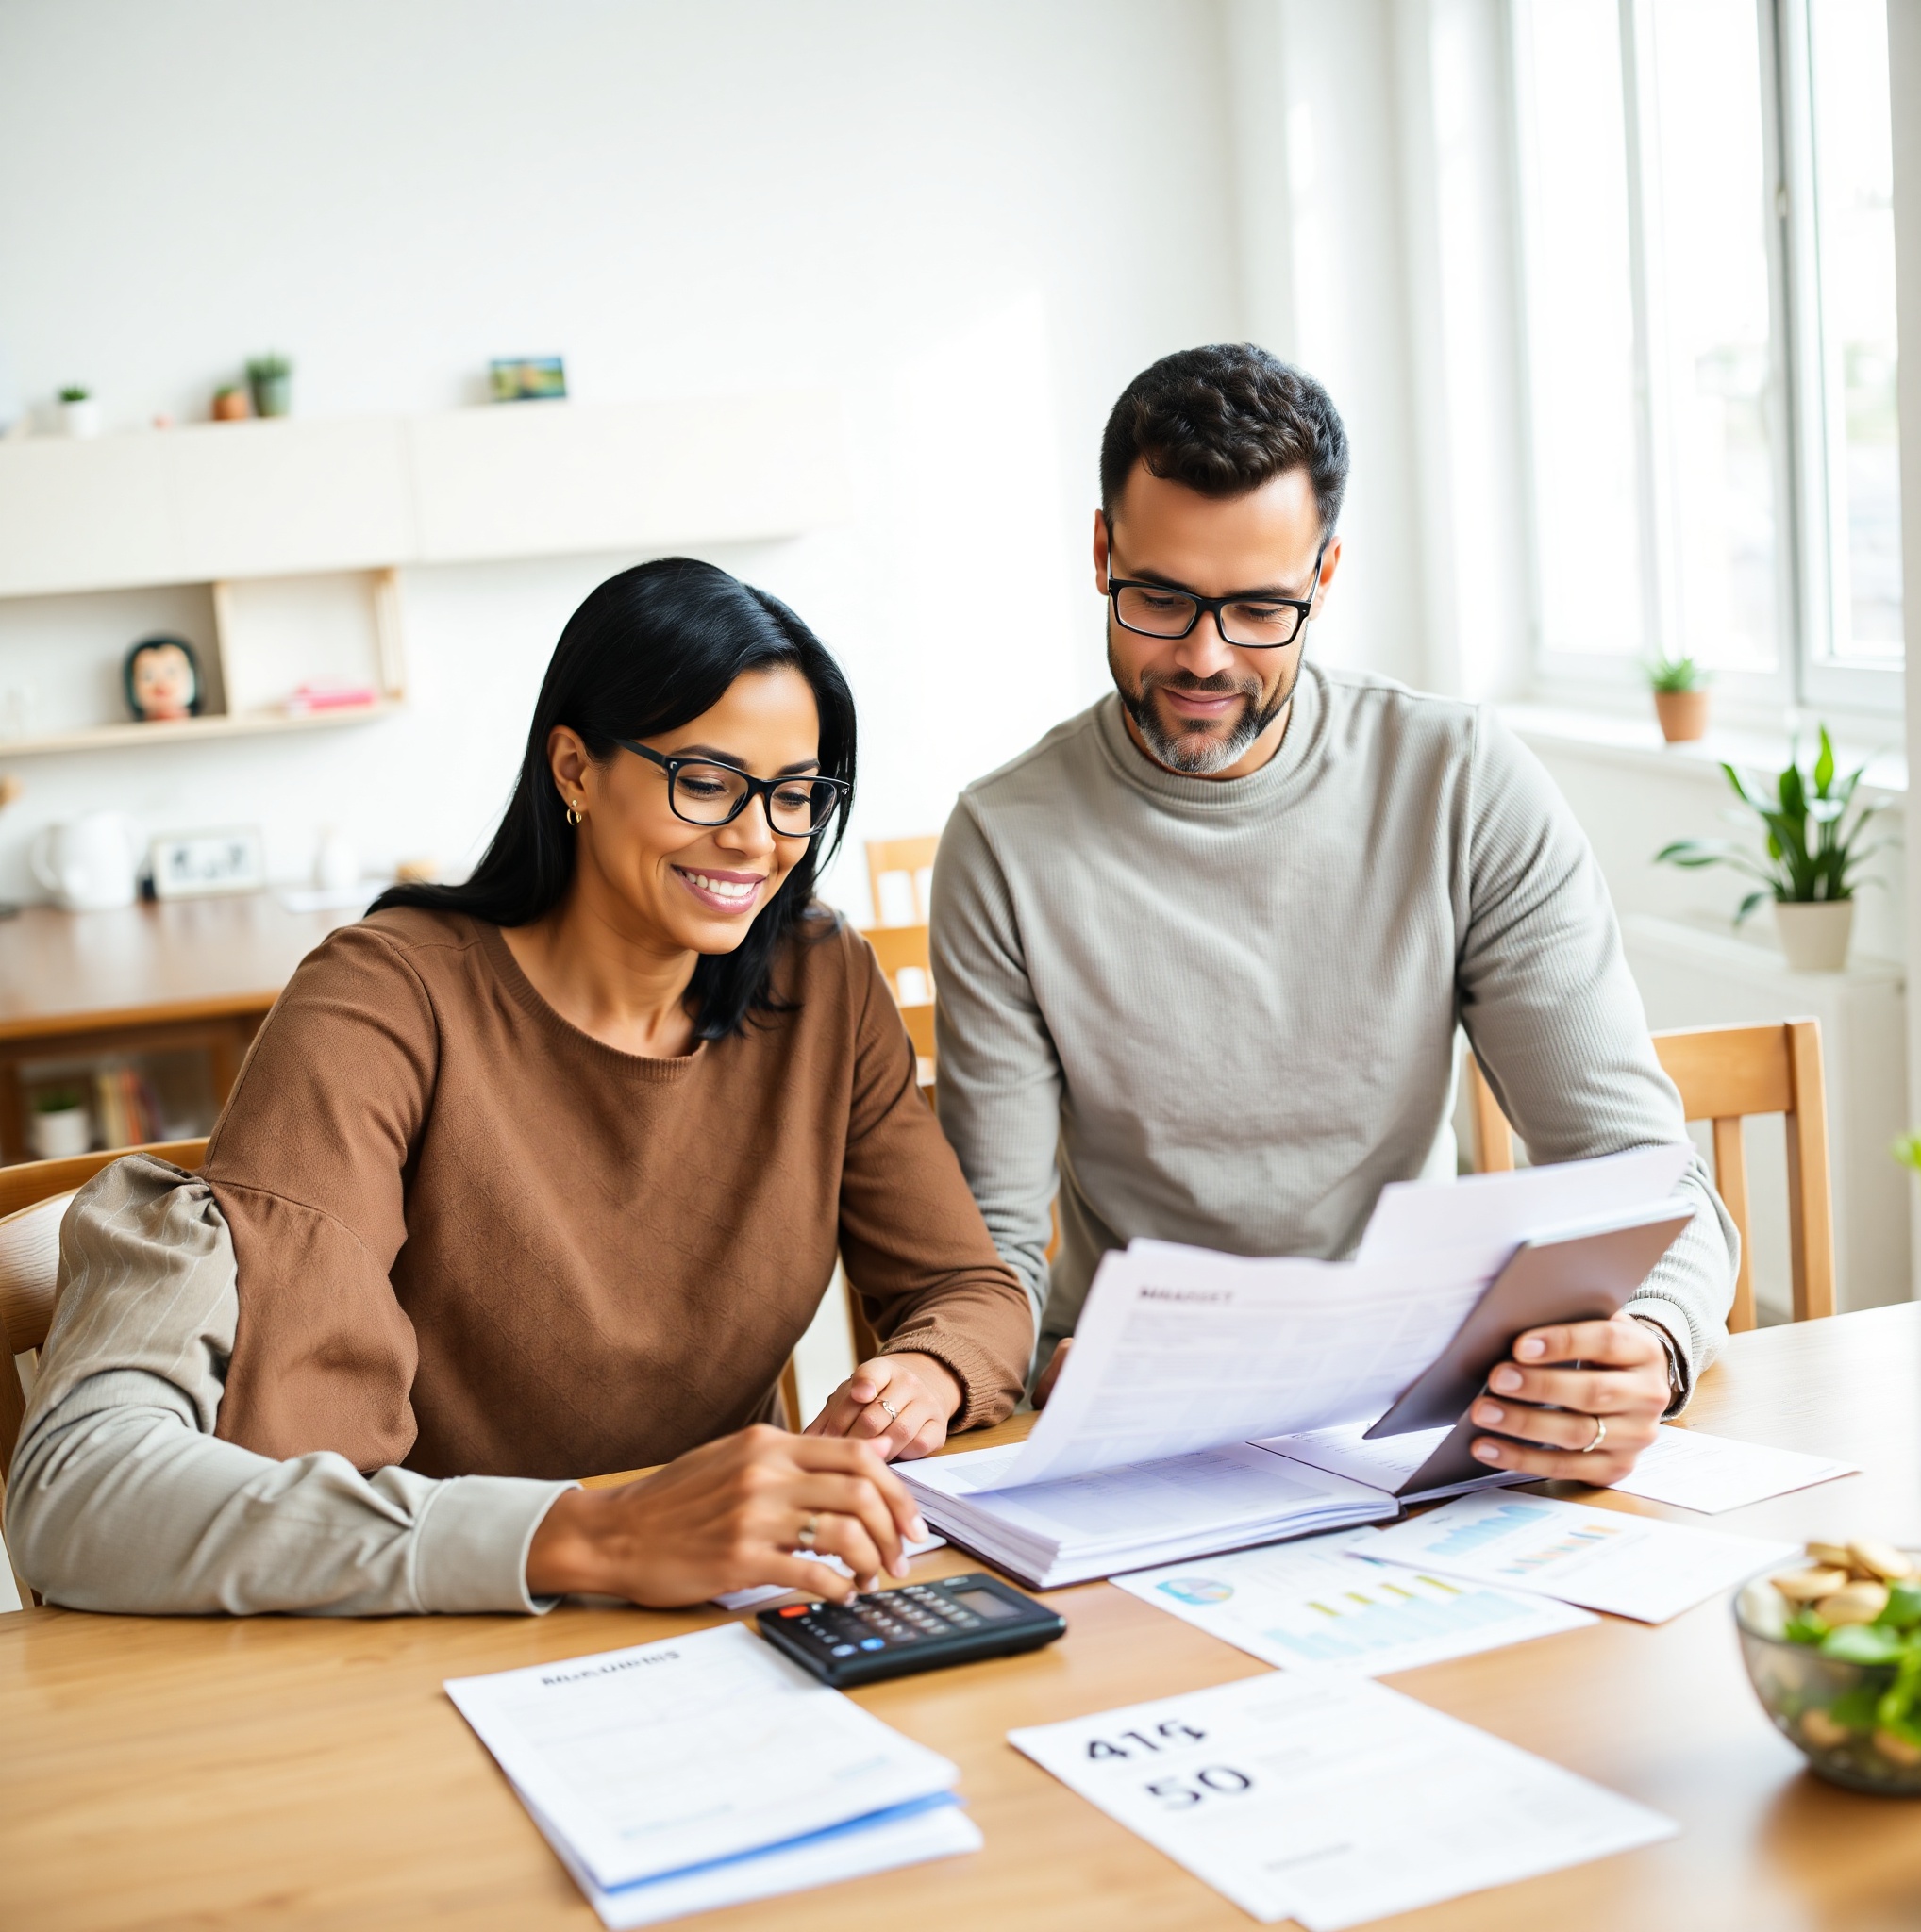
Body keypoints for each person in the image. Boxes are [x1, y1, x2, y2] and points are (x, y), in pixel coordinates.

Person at [8, 558, 1032, 1615]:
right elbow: (178, 1462)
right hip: (423, 1617)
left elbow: (973, 1291)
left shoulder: (818, 981)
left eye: (794, 794)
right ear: (575, 769)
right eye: (707, 780)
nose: (757, 837)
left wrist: (921, 1379)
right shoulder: (384, 1002)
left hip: (710, 1611)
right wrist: (596, 1534)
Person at [930, 343, 1738, 1485]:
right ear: (1101, 551)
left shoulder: (1457, 781)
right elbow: (994, 1258)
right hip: (1138, 1429)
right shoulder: (1003, 839)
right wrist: (999, 1358)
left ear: (1323, 572)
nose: (1204, 658)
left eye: (1260, 607)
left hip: (1410, 1417)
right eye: (1159, 598)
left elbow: (1645, 1177)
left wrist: (1646, 1349)